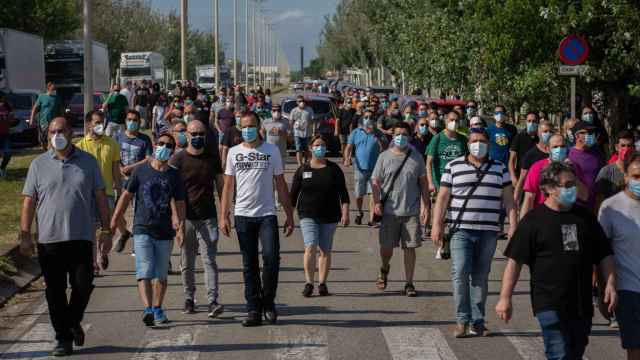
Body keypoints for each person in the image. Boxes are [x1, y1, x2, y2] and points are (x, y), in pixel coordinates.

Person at [496, 162, 617, 360]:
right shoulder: (533, 221)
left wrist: (610, 284)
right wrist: (505, 298)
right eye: (567, 184)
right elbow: (514, 262)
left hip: (581, 303)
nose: (573, 189)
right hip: (549, 302)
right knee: (558, 353)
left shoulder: (585, 218)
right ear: (550, 188)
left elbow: (604, 254)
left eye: (574, 184)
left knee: (575, 353)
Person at [19, 117, 112, 356]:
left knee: (82, 286)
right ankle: (63, 338)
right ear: (47, 134)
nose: (56, 135)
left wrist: (106, 229)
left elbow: (101, 197)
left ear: (71, 133)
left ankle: (71, 321)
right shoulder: (38, 165)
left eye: (61, 130)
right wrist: (25, 234)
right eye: (52, 131)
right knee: (55, 291)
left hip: (81, 237)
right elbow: (29, 202)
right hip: (49, 240)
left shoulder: (88, 162)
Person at [431, 128, 517, 338]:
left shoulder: (499, 168)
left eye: (482, 141)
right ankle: (462, 319)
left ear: (488, 143)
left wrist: (513, 224)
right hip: (460, 229)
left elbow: (508, 199)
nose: (478, 144)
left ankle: (477, 321)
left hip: (488, 231)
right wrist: (437, 224)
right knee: (460, 272)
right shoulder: (453, 166)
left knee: (480, 276)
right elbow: (442, 197)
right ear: (467, 144)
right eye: (474, 141)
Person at [219, 111, 295, 327]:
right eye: (244, 126)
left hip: (267, 215)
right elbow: (227, 186)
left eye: (251, 125)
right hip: (243, 215)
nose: (247, 130)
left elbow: (280, 184)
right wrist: (223, 215)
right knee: (249, 264)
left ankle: (268, 302)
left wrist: (289, 214)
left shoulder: (271, 151)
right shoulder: (234, 153)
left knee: (271, 258)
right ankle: (253, 308)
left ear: (259, 127)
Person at [110, 132, 186, 327]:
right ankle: (148, 309)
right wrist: (115, 218)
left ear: (173, 150)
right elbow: (126, 196)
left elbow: (179, 202)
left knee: (161, 274)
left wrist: (180, 227)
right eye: (161, 143)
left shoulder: (174, 175)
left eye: (169, 145)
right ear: (154, 144)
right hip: (142, 227)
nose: (164, 147)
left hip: (164, 231)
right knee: (144, 270)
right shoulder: (141, 171)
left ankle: (158, 307)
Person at [169, 119, 225, 318]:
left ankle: (212, 300)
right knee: (187, 262)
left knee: (209, 260)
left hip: (208, 217)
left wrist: (225, 214)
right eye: (194, 134)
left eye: (201, 133)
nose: (198, 137)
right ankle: (189, 299)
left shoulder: (212, 158)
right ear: (187, 135)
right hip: (186, 219)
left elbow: (221, 187)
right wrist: (176, 221)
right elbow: (171, 193)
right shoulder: (177, 160)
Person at [372, 122, 429, 296]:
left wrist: (426, 206)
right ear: (392, 136)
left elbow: (424, 183)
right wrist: (376, 202)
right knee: (386, 248)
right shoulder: (384, 157)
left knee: (409, 248)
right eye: (398, 134)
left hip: (411, 211)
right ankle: (384, 268)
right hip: (389, 212)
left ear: (410, 137)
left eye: (404, 134)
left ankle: (409, 283)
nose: (401, 137)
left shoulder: (416, 157)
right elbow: (375, 181)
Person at [290, 135, 350, 297]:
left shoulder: (334, 169)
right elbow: (293, 196)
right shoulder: (303, 169)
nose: (320, 148)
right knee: (310, 246)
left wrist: (345, 212)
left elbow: (343, 194)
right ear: (310, 148)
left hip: (330, 215)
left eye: (322, 145)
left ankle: (322, 283)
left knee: (325, 250)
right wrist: (289, 217)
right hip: (307, 214)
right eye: (316, 145)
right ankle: (309, 282)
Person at [598, 152, 640, 360]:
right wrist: (603, 289)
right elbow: (601, 252)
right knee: (635, 349)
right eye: (636, 177)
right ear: (626, 177)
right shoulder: (611, 208)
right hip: (628, 291)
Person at [76, 111, 123, 276]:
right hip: (88, 195)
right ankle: (93, 263)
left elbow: (116, 170)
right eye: (96, 122)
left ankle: (103, 254)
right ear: (88, 124)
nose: (99, 125)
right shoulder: (80, 146)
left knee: (107, 231)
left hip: (108, 194)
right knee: (90, 231)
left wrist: (119, 190)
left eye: (102, 122)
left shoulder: (112, 144)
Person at [112, 110, 153, 253]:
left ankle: (138, 245)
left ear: (139, 121)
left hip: (139, 181)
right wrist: (120, 168)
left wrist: (130, 167)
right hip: (121, 181)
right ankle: (124, 233)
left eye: (135, 120)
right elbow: (113, 157)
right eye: (129, 119)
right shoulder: (117, 137)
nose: (132, 122)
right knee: (116, 213)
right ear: (125, 121)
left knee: (138, 214)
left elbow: (148, 159)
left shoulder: (144, 139)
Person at [520, 134, 588, 218]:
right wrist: (524, 224)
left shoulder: (575, 167)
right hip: (544, 217)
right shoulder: (537, 168)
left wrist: (571, 175)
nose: (559, 150)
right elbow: (529, 198)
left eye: (562, 146)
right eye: (555, 147)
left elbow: (584, 196)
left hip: (570, 217)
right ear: (548, 149)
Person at [344, 109, 387, 226]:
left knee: (373, 194)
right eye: (366, 117)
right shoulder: (356, 132)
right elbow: (349, 147)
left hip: (374, 169)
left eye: (371, 117)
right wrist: (347, 158)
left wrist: (378, 140)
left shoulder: (379, 133)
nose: (369, 119)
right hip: (360, 169)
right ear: (362, 119)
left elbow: (385, 149)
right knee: (359, 194)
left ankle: (372, 219)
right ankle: (359, 212)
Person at [512, 120, 552, 206]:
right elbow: (521, 181)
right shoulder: (531, 154)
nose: (548, 134)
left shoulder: (558, 152)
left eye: (550, 131)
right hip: (536, 204)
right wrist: (515, 203)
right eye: (545, 131)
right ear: (538, 133)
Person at [426, 111, 468, 193]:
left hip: (458, 182)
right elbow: (429, 163)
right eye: (451, 120)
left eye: (456, 121)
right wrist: (430, 183)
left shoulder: (463, 139)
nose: (454, 123)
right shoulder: (437, 138)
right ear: (445, 121)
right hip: (440, 183)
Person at [568, 121, 606, 210]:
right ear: (577, 136)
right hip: (576, 205)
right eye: (588, 132)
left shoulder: (598, 153)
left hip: (596, 204)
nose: (591, 135)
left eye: (593, 133)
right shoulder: (568, 154)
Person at [595, 130, 636, 208]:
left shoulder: (637, 171)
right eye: (623, 145)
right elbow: (599, 202)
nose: (626, 149)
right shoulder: (606, 172)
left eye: (629, 145)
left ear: (633, 148)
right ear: (617, 147)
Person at [509, 112, 541, 186]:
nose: (531, 123)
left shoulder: (541, 138)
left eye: (534, 121)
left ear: (538, 123)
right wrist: (513, 176)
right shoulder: (519, 137)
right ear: (526, 122)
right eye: (529, 121)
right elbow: (512, 159)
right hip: (522, 177)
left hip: (538, 177)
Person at [30, 82, 62, 150]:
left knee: (50, 139)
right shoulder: (42, 97)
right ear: (48, 88)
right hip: (43, 122)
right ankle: (46, 150)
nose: (54, 90)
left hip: (54, 123)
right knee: (42, 140)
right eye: (53, 89)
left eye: (55, 89)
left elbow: (61, 111)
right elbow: (35, 109)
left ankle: (50, 153)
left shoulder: (58, 98)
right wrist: (31, 120)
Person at [290, 96, 315, 166]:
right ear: (297, 102)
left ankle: (307, 162)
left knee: (307, 149)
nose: (302, 102)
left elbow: (313, 121)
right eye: (300, 101)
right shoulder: (293, 110)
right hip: (297, 134)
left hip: (307, 133)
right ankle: (299, 164)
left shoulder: (309, 109)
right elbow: (291, 122)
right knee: (298, 149)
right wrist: (291, 131)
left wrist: (313, 131)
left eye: (303, 101)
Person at [0, 94, 14, 177]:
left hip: (5, 134)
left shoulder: (7, 106)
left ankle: (2, 168)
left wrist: (10, 120)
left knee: (8, 153)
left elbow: (12, 118)